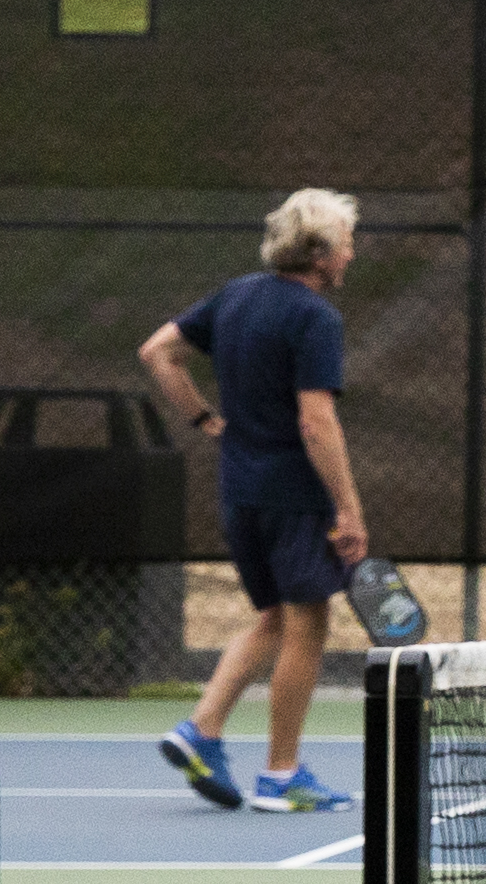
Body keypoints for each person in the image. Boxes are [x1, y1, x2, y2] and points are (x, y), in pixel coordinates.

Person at [142, 189, 373, 813]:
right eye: (346, 242)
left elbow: (157, 353)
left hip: (239, 491)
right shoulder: (315, 318)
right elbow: (317, 424)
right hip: (294, 498)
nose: (352, 254)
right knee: (307, 626)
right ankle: (281, 775)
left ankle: (201, 730)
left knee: (270, 617)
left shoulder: (237, 294)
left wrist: (202, 420)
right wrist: (348, 508)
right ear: (321, 254)